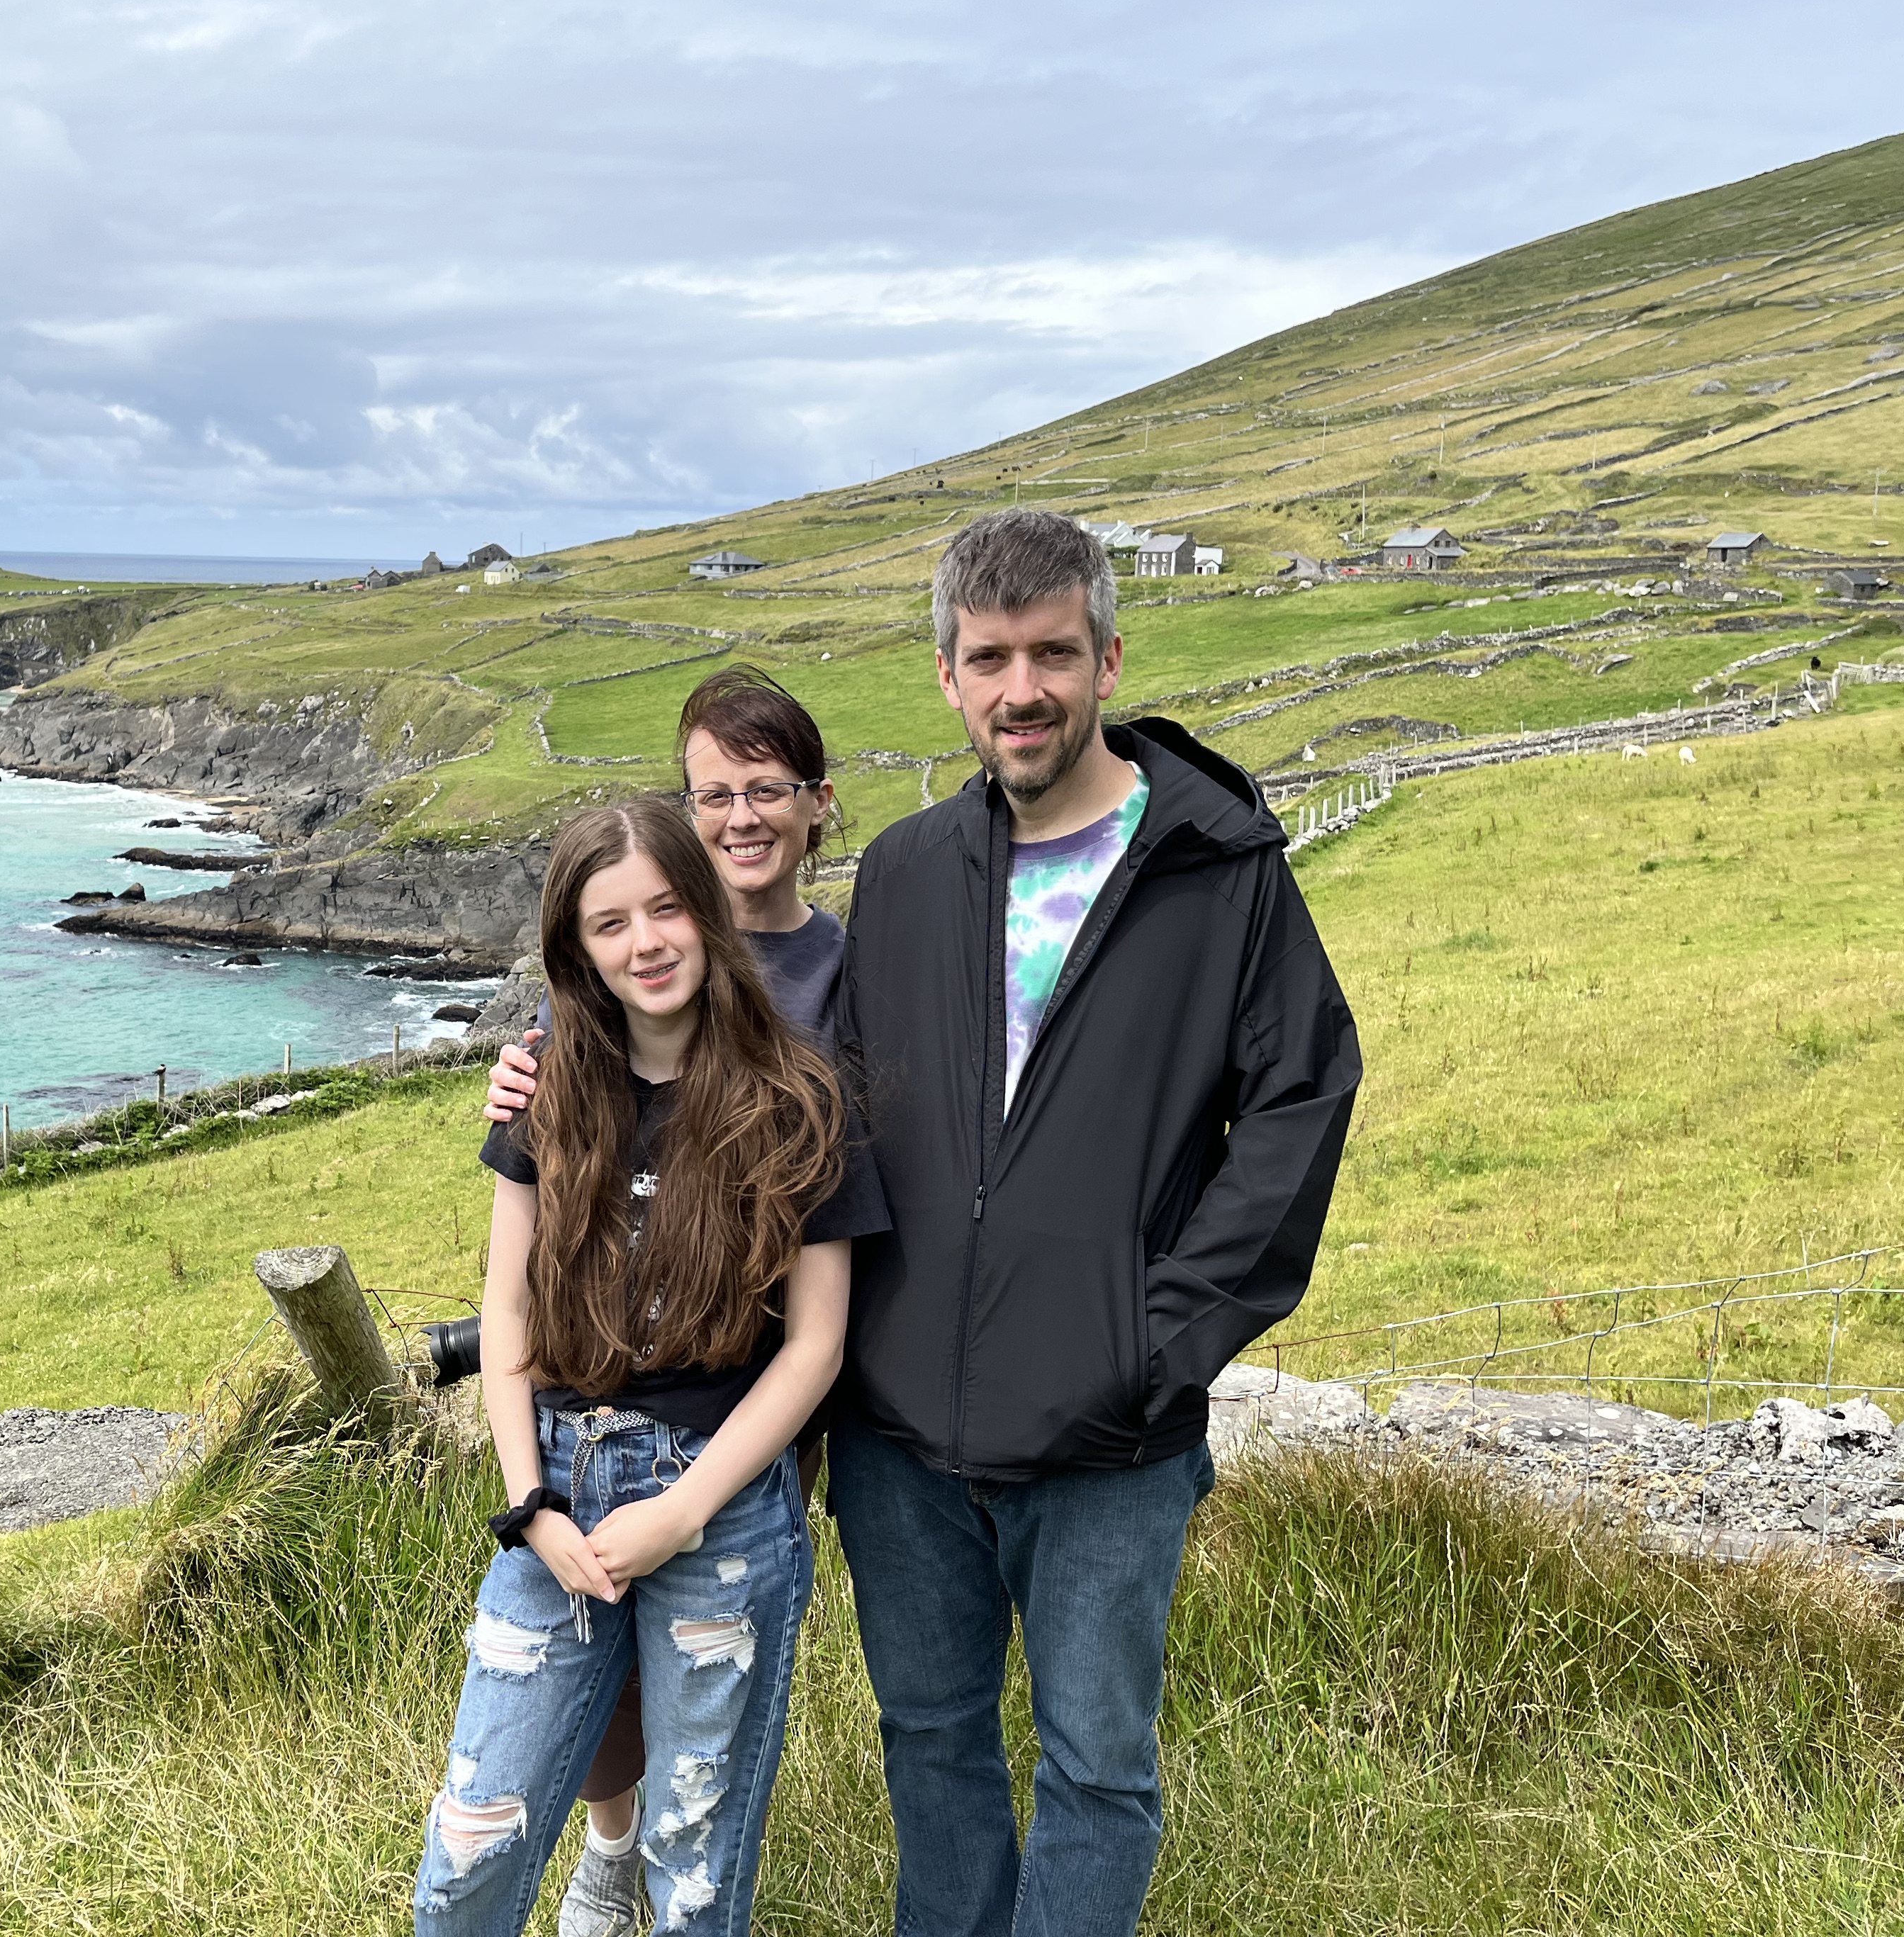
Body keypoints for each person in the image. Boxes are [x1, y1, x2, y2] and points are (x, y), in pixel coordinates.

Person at [832, 510, 1361, 1937]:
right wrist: (569, 1071)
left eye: (1053, 653)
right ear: (945, 676)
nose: (1023, 689)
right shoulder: (902, 871)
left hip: (1113, 1437)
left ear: (1108, 658)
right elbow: (816, 1112)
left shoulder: (1221, 873)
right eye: (990, 657)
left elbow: (1305, 1097)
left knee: (1098, 1770)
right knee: (931, 1747)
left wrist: (1164, 1336)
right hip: (897, 1438)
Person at [413, 795, 889, 1937]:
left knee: (695, 1868)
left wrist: (683, 1509)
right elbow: (507, 1308)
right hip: (557, 1495)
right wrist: (528, 1505)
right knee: (473, 1842)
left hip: (720, 1513)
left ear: (708, 912)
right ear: (575, 948)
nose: (647, 943)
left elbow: (817, 1344)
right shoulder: (549, 1087)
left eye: (668, 907)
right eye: (610, 923)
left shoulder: (802, 1098)